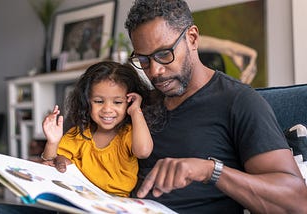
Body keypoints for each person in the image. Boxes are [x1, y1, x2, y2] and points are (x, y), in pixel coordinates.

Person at [122, 0, 307, 213]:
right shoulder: (140, 104)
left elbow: (297, 203)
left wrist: (211, 171)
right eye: (144, 60)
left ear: (192, 38)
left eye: (164, 54)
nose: (155, 71)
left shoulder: (238, 101)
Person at [41, 61, 153, 197]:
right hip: (80, 196)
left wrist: (136, 111)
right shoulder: (79, 134)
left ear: (129, 102)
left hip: (116, 203)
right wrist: (52, 142)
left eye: (117, 102)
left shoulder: (128, 133)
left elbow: (143, 152)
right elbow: (49, 162)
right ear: (87, 102)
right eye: (99, 101)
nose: (107, 109)